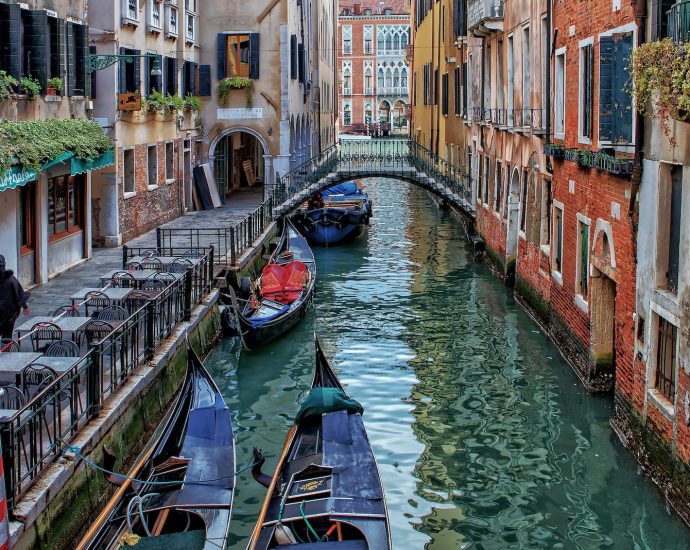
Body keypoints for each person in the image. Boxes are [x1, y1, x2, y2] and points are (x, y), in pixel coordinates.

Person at [0, 255, 30, 340]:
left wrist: (25, 307)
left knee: (7, 337)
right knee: (7, 337)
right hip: (9, 315)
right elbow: (20, 295)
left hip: (9, 315)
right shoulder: (11, 279)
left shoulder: (10, 279)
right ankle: (7, 352)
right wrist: (25, 307)